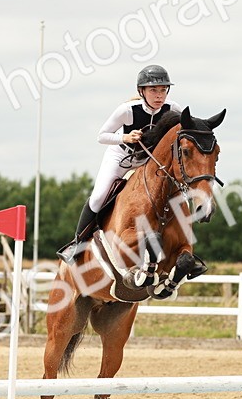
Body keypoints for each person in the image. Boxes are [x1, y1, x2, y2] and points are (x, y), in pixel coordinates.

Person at [57, 64, 186, 262]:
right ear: (141, 91)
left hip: (147, 162)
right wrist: (125, 137)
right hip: (121, 157)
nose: (159, 96)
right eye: (153, 90)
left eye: (163, 90)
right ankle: (77, 244)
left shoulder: (173, 109)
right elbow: (101, 136)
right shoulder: (127, 110)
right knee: (98, 197)